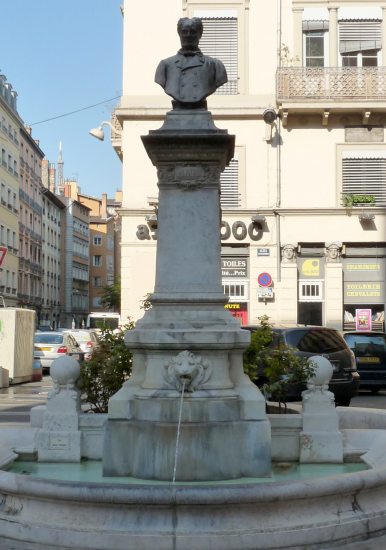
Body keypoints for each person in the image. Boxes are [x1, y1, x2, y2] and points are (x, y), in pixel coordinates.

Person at [155, 17, 227, 108]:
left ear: (200, 34)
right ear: (179, 34)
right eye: (184, 32)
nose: (188, 35)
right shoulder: (165, 65)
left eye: (193, 32)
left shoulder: (215, 65)